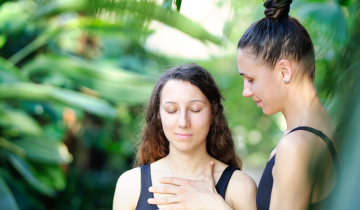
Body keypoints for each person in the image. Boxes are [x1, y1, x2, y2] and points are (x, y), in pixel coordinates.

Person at [148, 0, 342, 209]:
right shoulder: (323, 126)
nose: (246, 91)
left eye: (251, 79)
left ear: (284, 71)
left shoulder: (296, 146)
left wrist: (212, 204)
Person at [112, 64, 257, 210]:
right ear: (158, 116)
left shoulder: (240, 186)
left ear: (213, 114)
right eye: (171, 110)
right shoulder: (130, 184)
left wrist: (216, 205)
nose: (183, 122)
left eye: (195, 109)